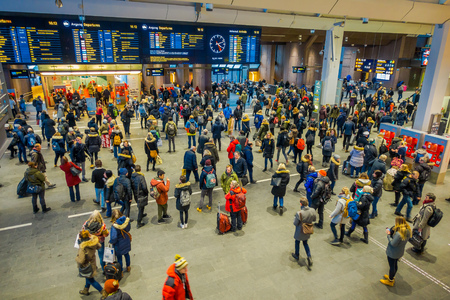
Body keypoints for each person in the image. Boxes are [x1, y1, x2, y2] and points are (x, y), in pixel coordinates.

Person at [380, 217, 412, 286]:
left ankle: (390, 280)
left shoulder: (398, 234)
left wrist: (388, 235)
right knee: (395, 264)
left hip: (393, 252)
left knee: (392, 266)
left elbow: (392, 244)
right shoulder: (408, 230)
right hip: (400, 251)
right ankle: (392, 276)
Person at [76, 230, 104, 296]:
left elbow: (81, 260)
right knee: (88, 277)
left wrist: (77, 258)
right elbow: (99, 246)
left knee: (91, 280)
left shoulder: (83, 247)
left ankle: (103, 292)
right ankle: (86, 290)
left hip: (87, 266)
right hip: (92, 263)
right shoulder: (93, 242)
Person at [292, 197, 316, 269]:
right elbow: (314, 219)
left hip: (300, 230)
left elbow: (295, 223)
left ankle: (297, 255)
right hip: (307, 230)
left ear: (301, 204)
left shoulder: (299, 213)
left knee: (297, 242)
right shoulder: (312, 210)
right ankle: (309, 256)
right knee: (305, 243)